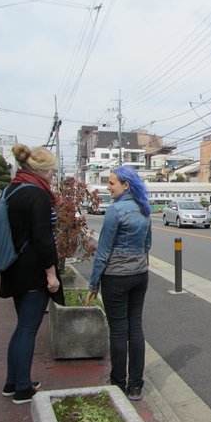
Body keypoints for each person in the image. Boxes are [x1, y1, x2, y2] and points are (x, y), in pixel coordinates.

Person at [0, 143, 64, 405]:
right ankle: (23, 388)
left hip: (13, 266)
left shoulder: (12, 190)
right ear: (43, 170)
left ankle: (12, 381)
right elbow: (43, 239)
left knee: (21, 327)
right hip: (33, 270)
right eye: (52, 171)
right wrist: (51, 274)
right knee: (28, 329)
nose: (53, 176)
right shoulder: (37, 195)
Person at [84, 166, 152, 401]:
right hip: (140, 274)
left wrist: (93, 285)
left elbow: (103, 251)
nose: (108, 187)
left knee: (119, 330)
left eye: (112, 183)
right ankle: (136, 386)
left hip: (116, 277)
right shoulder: (144, 209)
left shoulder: (116, 210)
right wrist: (140, 266)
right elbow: (147, 245)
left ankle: (118, 384)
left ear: (126, 186)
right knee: (136, 328)